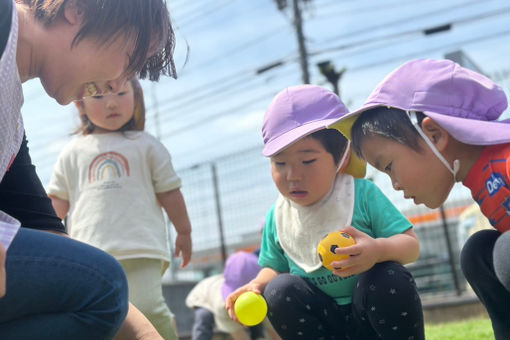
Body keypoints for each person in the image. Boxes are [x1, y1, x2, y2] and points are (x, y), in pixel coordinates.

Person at [0, 0, 178, 338]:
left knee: (101, 295)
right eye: (129, 60)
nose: (117, 84)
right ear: (77, 10)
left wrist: (146, 335)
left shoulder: (10, 129)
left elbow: (54, 240)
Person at [225, 85, 425, 340]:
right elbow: (274, 268)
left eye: (308, 161)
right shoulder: (277, 217)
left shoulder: (362, 195)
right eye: (280, 163)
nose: (293, 175)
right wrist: (256, 285)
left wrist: (378, 251)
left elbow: (411, 246)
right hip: (322, 324)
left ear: (341, 157)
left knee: (389, 277)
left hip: (373, 315)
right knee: (279, 289)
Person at [329, 58, 510, 339]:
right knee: (478, 253)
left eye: (389, 167)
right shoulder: (481, 177)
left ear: (435, 135)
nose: (396, 185)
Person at [47, 77, 192, 340]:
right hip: (88, 254)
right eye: (99, 97)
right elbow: (58, 199)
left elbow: (170, 191)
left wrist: (184, 231)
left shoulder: (146, 144)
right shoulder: (72, 151)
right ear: (81, 106)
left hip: (141, 248)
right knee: (103, 320)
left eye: (121, 93)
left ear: (137, 97)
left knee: (148, 309)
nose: (111, 103)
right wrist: (45, 238)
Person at [186, 251, 280, 340]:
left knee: (255, 321)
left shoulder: (265, 300)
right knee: (204, 319)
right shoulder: (223, 305)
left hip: (224, 296)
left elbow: (275, 331)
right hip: (203, 297)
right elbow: (240, 336)